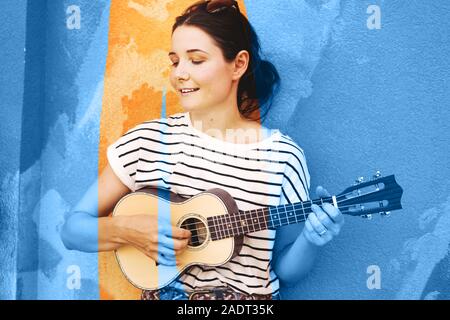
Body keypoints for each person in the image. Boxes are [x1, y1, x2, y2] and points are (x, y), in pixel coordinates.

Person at [61, 0, 344, 300]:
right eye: (175, 61)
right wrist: (128, 230)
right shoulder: (150, 141)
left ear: (238, 64)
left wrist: (312, 240)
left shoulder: (283, 157)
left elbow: (286, 270)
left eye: (196, 60)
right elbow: (72, 230)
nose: (179, 73)